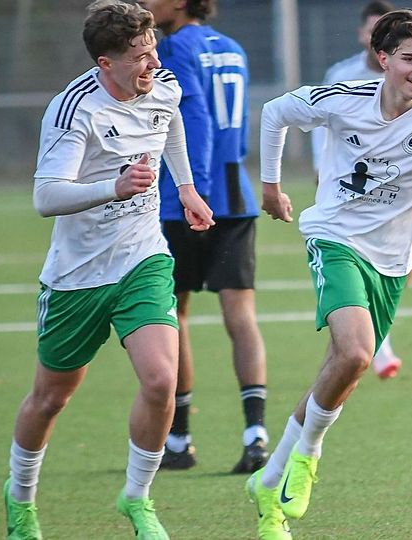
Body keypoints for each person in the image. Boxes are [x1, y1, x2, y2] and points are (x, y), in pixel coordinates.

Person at [244, 9, 412, 539]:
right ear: (383, 59)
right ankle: (308, 457)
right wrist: (270, 187)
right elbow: (275, 112)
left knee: (343, 369)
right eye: (409, 59)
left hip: (393, 260)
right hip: (335, 238)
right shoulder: (343, 97)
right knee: (357, 350)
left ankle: (268, 485)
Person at [2, 1, 214, 538]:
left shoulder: (161, 84)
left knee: (162, 379)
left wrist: (185, 187)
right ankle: (21, 498)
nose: (152, 66)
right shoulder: (75, 109)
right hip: (76, 274)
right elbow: (47, 197)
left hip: (142, 256)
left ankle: (137, 498)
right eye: (139, 59)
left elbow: (170, 124)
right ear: (105, 63)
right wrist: (114, 188)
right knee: (51, 398)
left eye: (153, 51)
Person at [139, 0, 270, 474]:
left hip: (189, 200)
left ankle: (179, 439)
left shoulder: (171, 48)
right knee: (242, 315)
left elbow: (193, 119)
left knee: (175, 313)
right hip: (238, 194)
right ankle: (255, 435)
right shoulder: (231, 47)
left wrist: (195, 191)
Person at [310, 0, 412, 380]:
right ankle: (372, 341)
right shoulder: (341, 75)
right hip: (354, 192)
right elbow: (318, 120)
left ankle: (373, 333)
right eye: (371, 27)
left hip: (406, 189)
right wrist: (320, 166)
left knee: (404, 261)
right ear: (370, 39)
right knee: (351, 282)